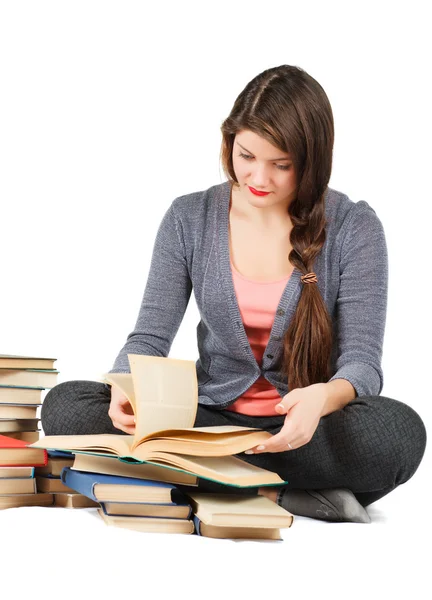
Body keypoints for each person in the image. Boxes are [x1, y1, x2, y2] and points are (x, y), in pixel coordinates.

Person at [41, 64, 427, 523]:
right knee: (65, 404)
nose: (259, 177)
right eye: (246, 156)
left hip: (307, 431)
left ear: (313, 160)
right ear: (229, 142)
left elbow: (363, 361)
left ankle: (202, 477)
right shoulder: (190, 218)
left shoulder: (354, 226)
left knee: (397, 433)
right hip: (208, 420)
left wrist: (322, 398)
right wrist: (124, 385)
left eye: (281, 165)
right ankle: (280, 492)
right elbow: (149, 337)